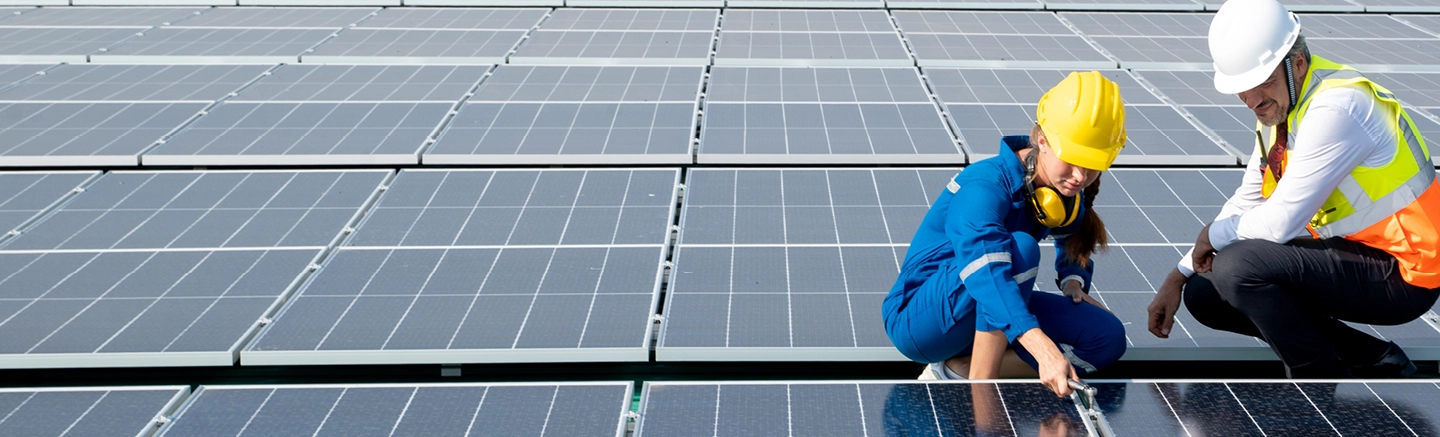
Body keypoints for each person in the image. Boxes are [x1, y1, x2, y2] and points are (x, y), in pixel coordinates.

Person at [1146, 0, 1440, 378]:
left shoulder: (1338, 107)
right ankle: (1369, 355)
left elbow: (1280, 223)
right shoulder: (1281, 111)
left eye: (1263, 82)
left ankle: (1316, 379)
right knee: (1206, 293)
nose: (1252, 101)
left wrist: (1210, 236)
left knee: (1238, 266)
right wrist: (1179, 274)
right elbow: (1247, 199)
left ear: (1297, 62)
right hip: (1357, 257)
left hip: (1406, 272)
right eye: (1241, 90)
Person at [882, 71, 1128, 397]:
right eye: (1072, 160)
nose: (1080, 176)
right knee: (1020, 249)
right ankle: (982, 399)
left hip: (988, 309)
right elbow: (986, 272)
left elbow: (1072, 233)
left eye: (1093, 164)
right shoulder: (983, 187)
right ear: (1042, 140)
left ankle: (956, 369)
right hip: (922, 322)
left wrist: (1073, 281)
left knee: (1106, 337)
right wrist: (1040, 346)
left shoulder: (1063, 190)